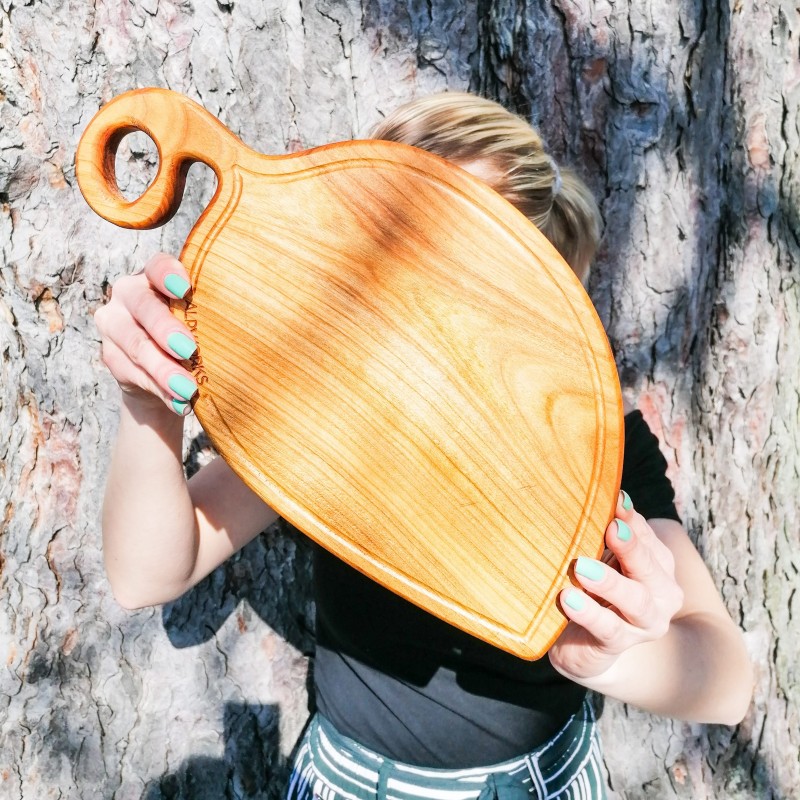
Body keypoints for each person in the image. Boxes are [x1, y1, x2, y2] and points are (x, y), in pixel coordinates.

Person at [94, 92, 754, 799]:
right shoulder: (333, 412)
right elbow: (149, 573)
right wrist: (150, 408)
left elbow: (726, 680)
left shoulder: (593, 443)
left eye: (458, 263)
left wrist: (612, 661)